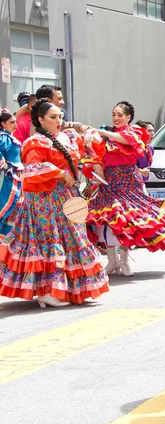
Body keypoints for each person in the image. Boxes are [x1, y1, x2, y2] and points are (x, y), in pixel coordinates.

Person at [0, 98, 109, 307]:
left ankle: (70, 288)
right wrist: (59, 173)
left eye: (60, 116)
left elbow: (94, 148)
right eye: (52, 117)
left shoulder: (68, 137)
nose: (58, 120)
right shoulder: (35, 142)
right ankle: (48, 291)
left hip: (67, 198)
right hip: (44, 201)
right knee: (50, 243)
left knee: (73, 240)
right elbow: (30, 170)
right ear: (40, 120)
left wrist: (88, 133)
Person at [87, 101, 165, 277]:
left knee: (127, 220)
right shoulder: (106, 137)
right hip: (110, 183)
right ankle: (112, 261)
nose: (116, 118)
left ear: (128, 118)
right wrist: (98, 177)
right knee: (108, 220)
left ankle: (124, 261)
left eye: (120, 115)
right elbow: (97, 159)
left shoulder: (133, 133)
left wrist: (102, 132)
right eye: (114, 115)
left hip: (128, 183)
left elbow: (127, 140)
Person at [0, 109, 24, 237]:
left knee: (14, 208)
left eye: (16, 122)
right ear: (3, 124)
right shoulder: (4, 137)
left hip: (16, 176)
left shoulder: (8, 136)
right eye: (11, 122)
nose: (15, 125)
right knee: (6, 204)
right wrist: (2, 162)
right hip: (9, 177)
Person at [135, 120, 155, 186]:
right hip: (132, 184)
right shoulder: (134, 148)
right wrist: (141, 171)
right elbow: (126, 167)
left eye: (153, 131)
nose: (152, 133)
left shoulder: (150, 148)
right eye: (149, 131)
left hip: (142, 183)